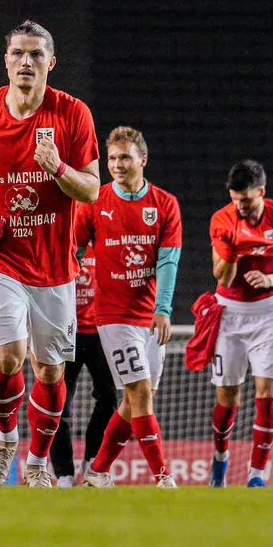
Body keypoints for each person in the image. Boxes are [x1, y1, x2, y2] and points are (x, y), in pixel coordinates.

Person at [0, 20, 100, 488]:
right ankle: (6, 441)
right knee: (8, 356)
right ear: (5, 60)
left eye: (36, 55)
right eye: (18, 54)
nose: (26, 62)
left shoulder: (72, 114)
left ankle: (37, 462)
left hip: (52, 265)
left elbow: (91, 190)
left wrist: (59, 169)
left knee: (50, 370)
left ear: (52, 63)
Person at [73, 127, 182, 489]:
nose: (117, 165)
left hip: (150, 316)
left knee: (136, 400)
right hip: (114, 316)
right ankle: (163, 476)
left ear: (142, 159)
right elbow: (70, 250)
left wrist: (163, 309)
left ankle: (98, 471)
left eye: (125, 157)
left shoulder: (165, 204)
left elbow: (168, 261)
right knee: (138, 392)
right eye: (112, 159)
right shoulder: (95, 202)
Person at [206, 158, 273, 488]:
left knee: (268, 390)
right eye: (234, 200)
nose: (239, 206)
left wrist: (271, 279)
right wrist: (233, 249)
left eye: (245, 200)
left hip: (268, 315)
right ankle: (220, 460)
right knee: (228, 399)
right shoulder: (222, 220)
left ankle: (256, 476)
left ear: (261, 192)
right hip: (229, 314)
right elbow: (223, 276)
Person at [51, 221, 112, 487]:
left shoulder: (105, 246)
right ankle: (64, 472)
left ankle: (93, 462)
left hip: (101, 333)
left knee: (110, 398)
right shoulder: (62, 244)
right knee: (57, 403)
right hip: (66, 332)